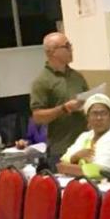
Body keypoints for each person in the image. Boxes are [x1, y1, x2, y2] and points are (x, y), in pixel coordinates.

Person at [29, 31, 89, 163]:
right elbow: (38, 117)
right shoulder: (42, 81)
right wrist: (64, 108)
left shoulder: (77, 77)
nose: (71, 50)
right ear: (52, 52)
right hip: (61, 148)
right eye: (66, 46)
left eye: (70, 46)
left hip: (84, 145)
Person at [57, 94, 110, 180]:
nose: (99, 118)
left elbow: (98, 170)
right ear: (88, 118)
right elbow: (63, 161)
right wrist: (75, 157)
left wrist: (68, 166)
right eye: (94, 114)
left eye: (103, 113)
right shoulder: (85, 136)